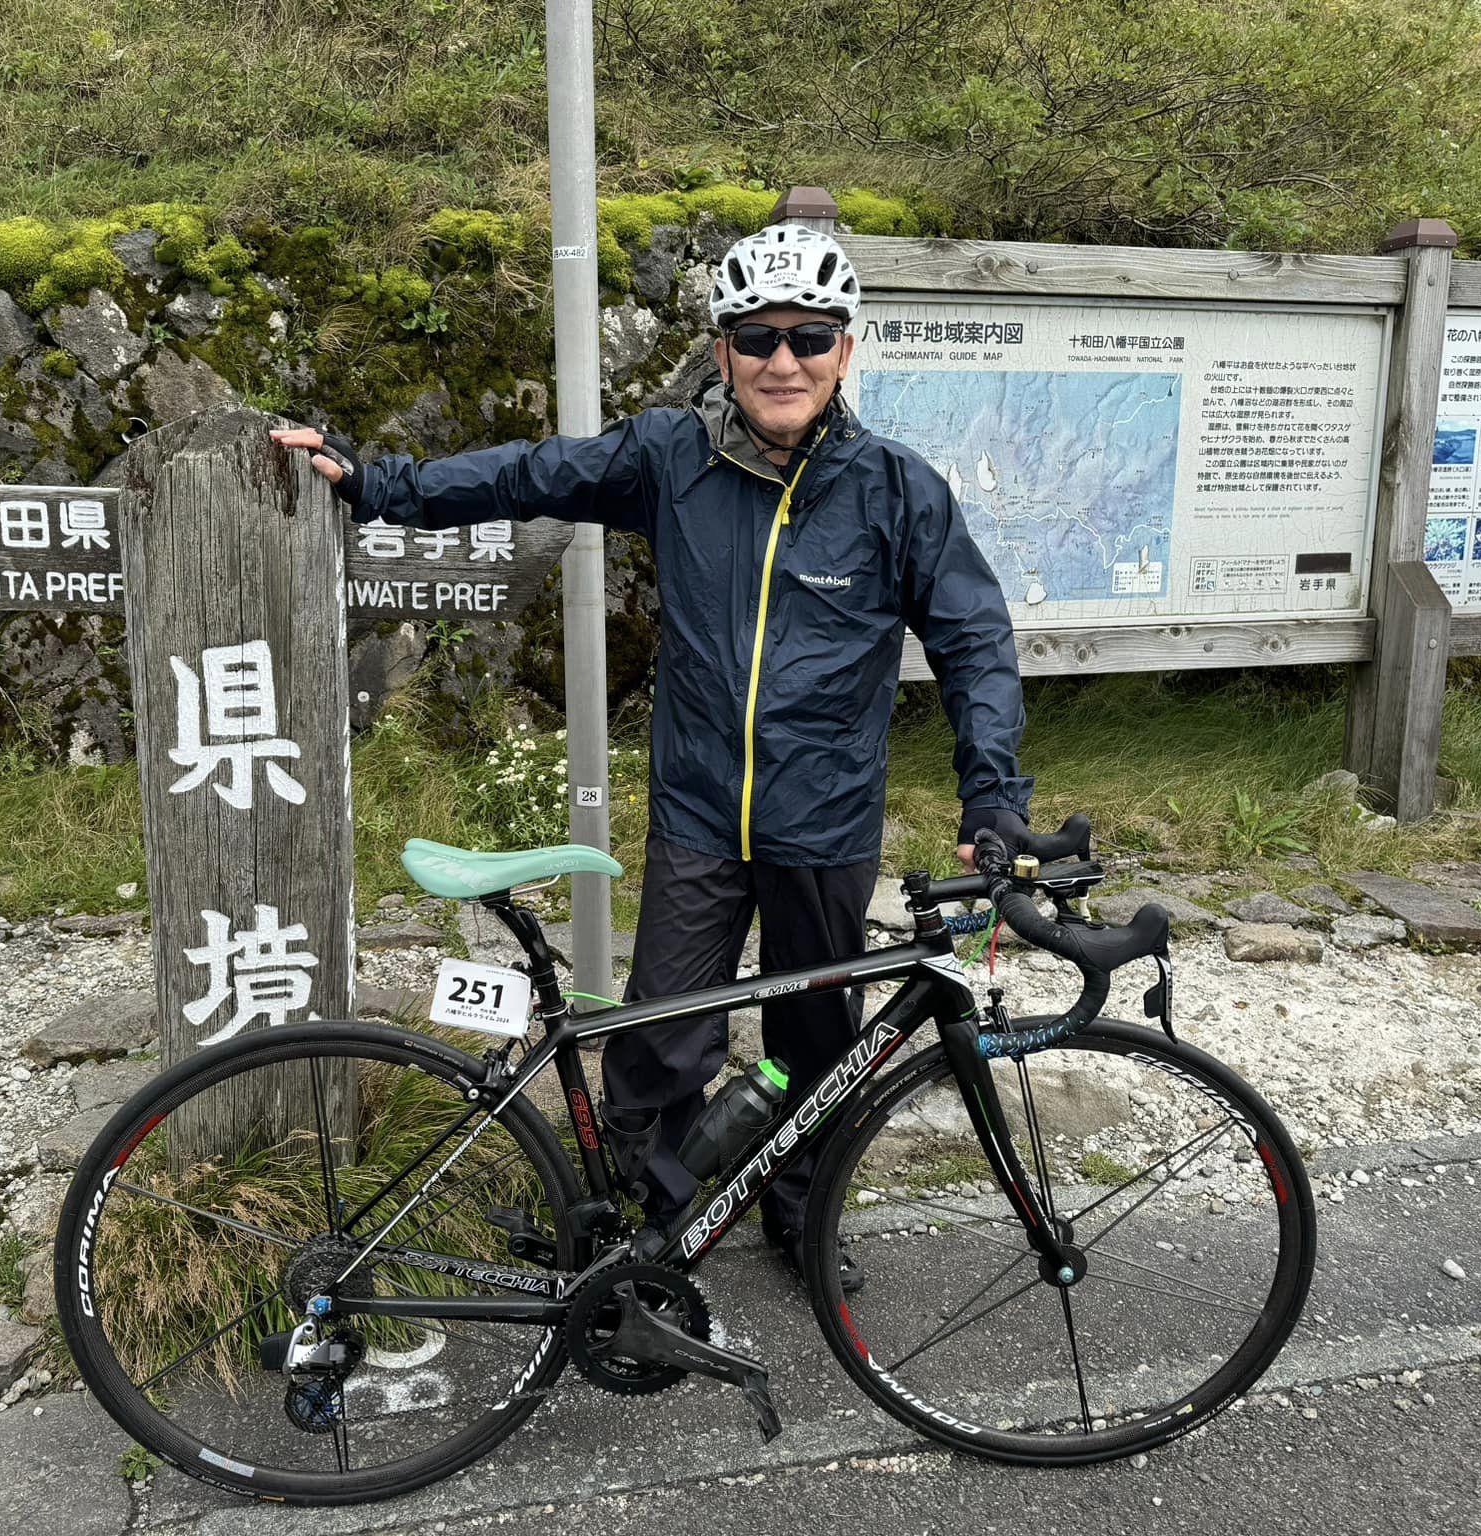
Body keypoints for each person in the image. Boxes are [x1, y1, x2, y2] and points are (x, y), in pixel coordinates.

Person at [271, 222, 1030, 1291]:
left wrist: (991, 793)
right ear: (720, 350)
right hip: (696, 812)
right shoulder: (670, 458)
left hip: (825, 819)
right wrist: (380, 483)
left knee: (815, 1036)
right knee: (661, 1038)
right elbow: (530, 474)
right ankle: (651, 1222)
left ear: (844, 351)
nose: (782, 360)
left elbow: (972, 642)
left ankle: (800, 1210)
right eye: (756, 337)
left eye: (808, 337)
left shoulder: (894, 492)